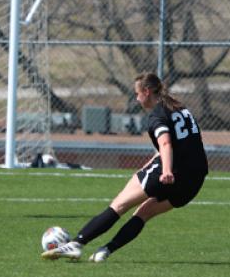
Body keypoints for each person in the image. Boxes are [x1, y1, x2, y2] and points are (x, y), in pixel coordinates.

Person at [42, 72, 208, 262]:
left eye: (137, 93)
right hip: (194, 180)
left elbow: (166, 144)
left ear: (146, 91)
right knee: (144, 213)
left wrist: (167, 170)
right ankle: (105, 250)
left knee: (120, 204)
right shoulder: (180, 109)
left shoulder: (156, 116)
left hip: (171, 171)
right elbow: (183, 143)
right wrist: (146, 167)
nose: (136, 98)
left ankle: (77, 244)